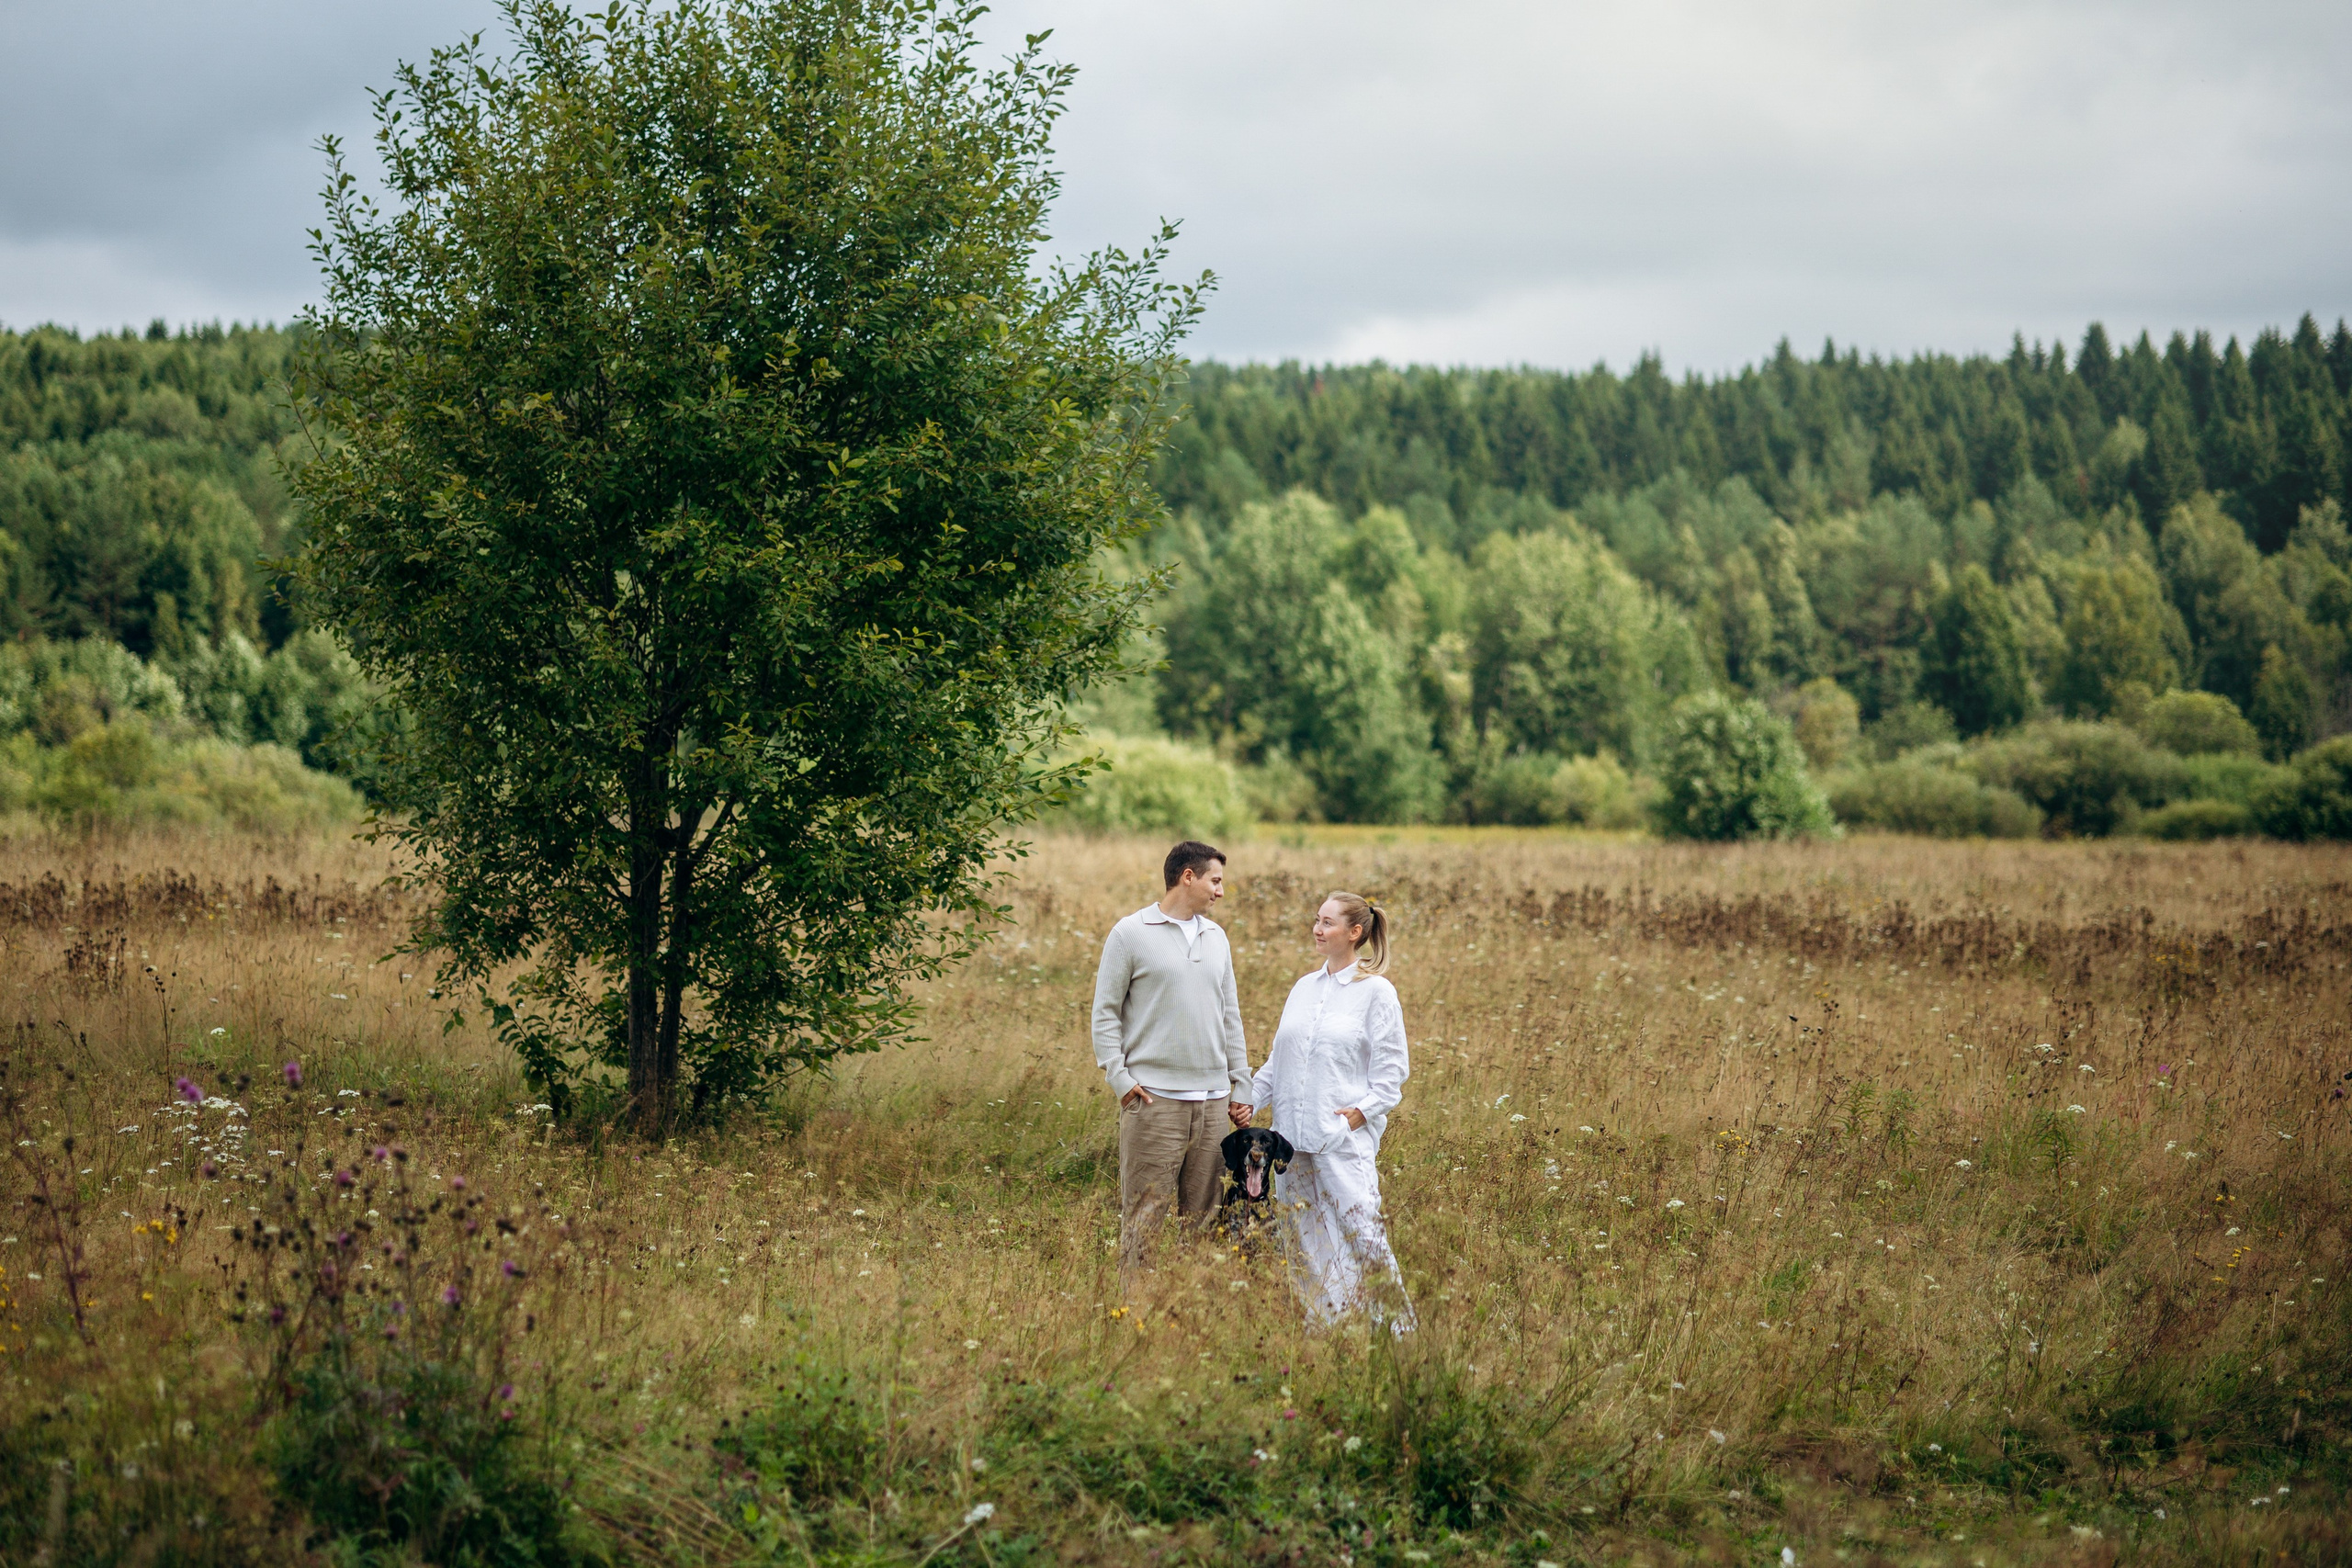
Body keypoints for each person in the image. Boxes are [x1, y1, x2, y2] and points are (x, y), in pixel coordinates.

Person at [1248, 890, 1415, 1331]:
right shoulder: (1304, 988)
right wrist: (1248, 1098)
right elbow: (1277, 1062)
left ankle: (1397, 1334)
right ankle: (1327, 1329)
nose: (1317, 929)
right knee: (1304, 1236)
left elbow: (1392, 1072)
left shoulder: (1376, 992)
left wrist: (1359, 1114)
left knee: (1363, 1234)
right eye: (1316, 920)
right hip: (1291, 1141)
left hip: (1341, 1139)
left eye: (1328, 923)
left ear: (1355, 932)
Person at [1090, 840, 1252, 1281]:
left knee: (1203, 1219)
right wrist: (1121, 1080)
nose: (1220, 891)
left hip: (1215, 1104)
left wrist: (1242, 1085)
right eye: (1215, 880)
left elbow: (1229, 1016)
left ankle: (1187, 1312)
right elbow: (1105, 1012)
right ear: (1188, 876)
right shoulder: (1130, 933)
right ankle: (1135, 1313)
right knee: (1145, 1212)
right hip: (1155, 1101)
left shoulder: (1217, 938)